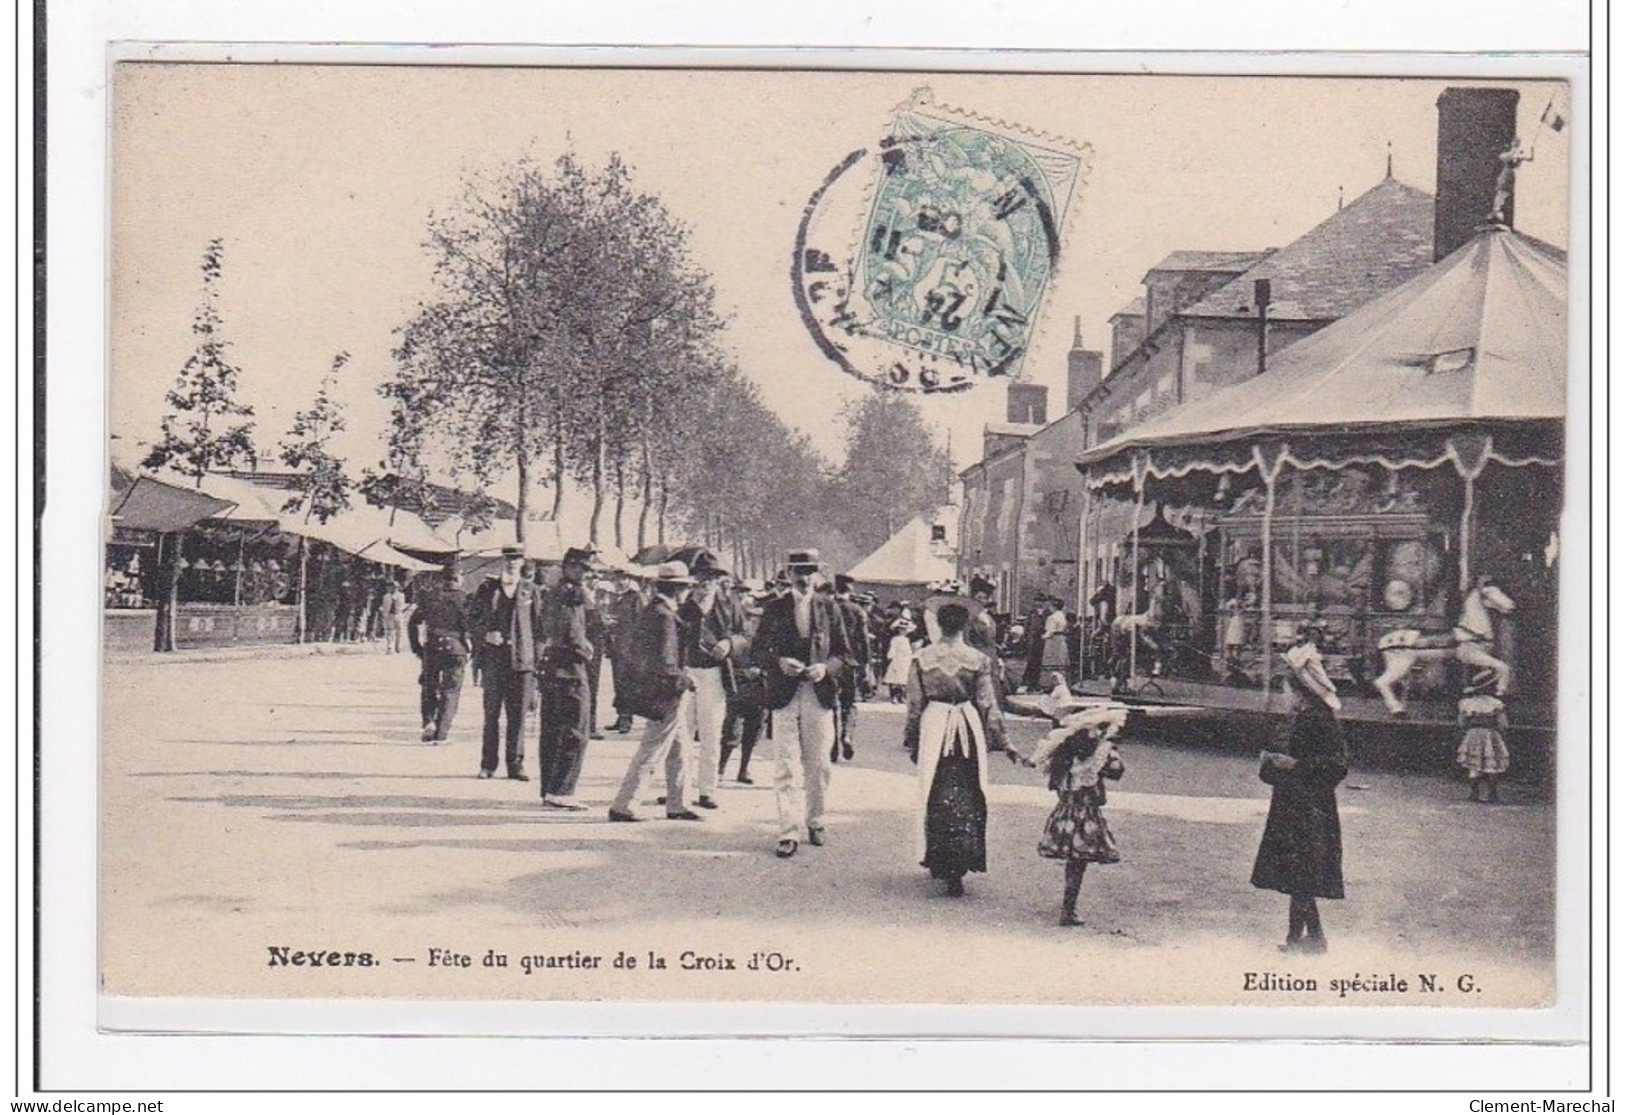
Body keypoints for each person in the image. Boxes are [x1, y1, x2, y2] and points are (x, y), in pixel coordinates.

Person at [749, 549, 855, 858]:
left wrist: (825, 668)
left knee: (819, 764)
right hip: (783, 694)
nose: (804, 578)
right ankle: (788, 830)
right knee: (785, 765)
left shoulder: (830, 608)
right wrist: (778, 661)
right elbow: (757, 652)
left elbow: (846, 655)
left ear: (818, 574)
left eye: (810, 571)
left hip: (818, 694)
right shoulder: (775, 608)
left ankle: (816, 820)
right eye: (798, 571)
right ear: (788, 574)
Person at [903, 602, 1011, 897]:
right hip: (966, 723)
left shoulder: (921, 658)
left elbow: (914, 705)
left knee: (935, 789)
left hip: (935, 721)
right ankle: (962, 860)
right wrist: (1003, 741)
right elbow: (989, 704)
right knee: (967, 788)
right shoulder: (976, 659)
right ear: (965, 625)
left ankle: (940, 859)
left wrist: (912, 738)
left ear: (939, 624)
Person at [1251, 626, 1348, 954]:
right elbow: (1280, 763)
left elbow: (1336, 766)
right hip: (1293, 806)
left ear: (1301, 691)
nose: (1285, 696)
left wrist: (1292, 766)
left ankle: (1307, 940)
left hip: (1310, 809)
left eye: (1287, 690)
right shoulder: (1297, 719)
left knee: (1301, 876)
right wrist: (1271, 763)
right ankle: (1308, 939)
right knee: (1298, 877)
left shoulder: (1320, 720)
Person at [1016, 705, 1128, 926]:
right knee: (1078, 863)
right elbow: (1118, 771)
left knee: (1073, 862)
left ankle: (1068, 907)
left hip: (1063, 815)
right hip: (1085, 816)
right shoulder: (1097, 758)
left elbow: (1053, 783)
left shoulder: (1063, 757)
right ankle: (1068, 909)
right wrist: (1109, 748)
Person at [608, 562, 702, 823]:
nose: (687, 593)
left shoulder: (657, 611)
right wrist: (686, 679)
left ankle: (678, 803)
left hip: (662, 691)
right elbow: (664, 663)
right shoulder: (664, 616)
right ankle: (624, 805)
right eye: (685, 588)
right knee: (653, 749)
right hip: (666, 693)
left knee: (680, 750)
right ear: (676, 589)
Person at [679, 551, 746, 810]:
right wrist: (690, 605)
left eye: (712, 577)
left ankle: (707, 790)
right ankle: (679, 789)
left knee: (711, 732)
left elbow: (744, 635)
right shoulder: (684, 603)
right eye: (701, 577)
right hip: (686, 671)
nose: (706, 582)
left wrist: (729, 643)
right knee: (681, 733)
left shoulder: (729, 604)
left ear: (720, 580)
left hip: (715, 673)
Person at [536, 546, 600, 810]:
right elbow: (572, 633)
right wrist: (586, 648)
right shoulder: (571, 595)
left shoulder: (553, 592)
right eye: (583, 569)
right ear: (570, 567)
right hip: (570, 668)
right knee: (576, 729)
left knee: (551, 729)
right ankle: (562, 790)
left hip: (552, 666)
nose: (586, 575)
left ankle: (549, 788)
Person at [470, 546, 542, 781]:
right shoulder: (488, 589)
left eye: (516, 559)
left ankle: (516, 764)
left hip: (522, 663)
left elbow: (540, 631)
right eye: (508, 559)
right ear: (502, 561)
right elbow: (472, 620)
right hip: (493, 661)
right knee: (491, 715)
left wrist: (537, 663)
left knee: (518, 716)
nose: (511, 563)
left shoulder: (532, 591)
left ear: (522, 562)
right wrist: (485, 635)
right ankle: (488, 764)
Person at [407, 561, 473, 743]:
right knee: (450, 691)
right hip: (456, 649)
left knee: (429, 687)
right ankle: (441, 732)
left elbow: (413, 623)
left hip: (432, 647)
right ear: (459, 578)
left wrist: (417, 648)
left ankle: (429, 722)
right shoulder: (465, 599)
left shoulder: (429, 597)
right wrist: (473, 649)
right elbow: (473, 626)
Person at [719, 586, 768, 785]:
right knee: (731, 732)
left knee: (753, 733)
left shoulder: (768, 644)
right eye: (752, 619)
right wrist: (743, 673)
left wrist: (762, 673)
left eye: (759, 620)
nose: (755, 624)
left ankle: (744, 769)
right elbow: (725, 667)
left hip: (761, 693)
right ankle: (720, 768)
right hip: (738, 693)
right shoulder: (737, 642)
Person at [830, 574, 871, 763]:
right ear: (850, 590)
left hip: (830, 664)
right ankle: (846, 735)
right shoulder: (858, 611)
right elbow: (864, 641)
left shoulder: (826, 608)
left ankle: (832, 745)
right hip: (851, 664)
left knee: (830, 704)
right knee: (849, 704)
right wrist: (866, 667)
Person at [605, 575, 650, 734]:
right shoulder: (617, 598)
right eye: (616, 579)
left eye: (622, 578)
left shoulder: (636, 597)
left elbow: (641, 622)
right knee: (618, 683)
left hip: (630, 648)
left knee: (627, 684)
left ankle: (626, 719)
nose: (618, 582)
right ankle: (621, 716)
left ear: (629, 580)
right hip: (617, 647)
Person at [1456, 675, 1510, 803]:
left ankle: (1474, 793)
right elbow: (1503, 723)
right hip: (1490, 734)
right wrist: (1501, 733)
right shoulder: (1496, 704)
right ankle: (1492, 794)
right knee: (1492, 763)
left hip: (1473, 733)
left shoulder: (1467, 703)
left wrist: (1469, 728)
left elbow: (1461, 722)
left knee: (1474, 764)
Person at [882, 617, 916, 703]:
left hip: (905, 661)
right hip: (897, 659)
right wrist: (891, 656)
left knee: (903, 679)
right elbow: (893, 649)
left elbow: (908, 651)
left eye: (905, 630)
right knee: (895, 679)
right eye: (901, 630)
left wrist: (911, 656)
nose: (903, 631)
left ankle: (901, 696)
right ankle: (894, 696)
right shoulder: (895, 639)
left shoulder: (907, 640)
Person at [382, 577, 410, 654]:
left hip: (398, 614)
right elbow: (385, 606)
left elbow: (401, 604)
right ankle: (390, 647)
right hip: (390, 615)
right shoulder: (386, 596)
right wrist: (384, 614)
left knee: (399, 631)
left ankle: (398, 646)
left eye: (394, 587)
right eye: (390, 587)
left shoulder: (401, 595)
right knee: (389, 631)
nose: (392, 589)